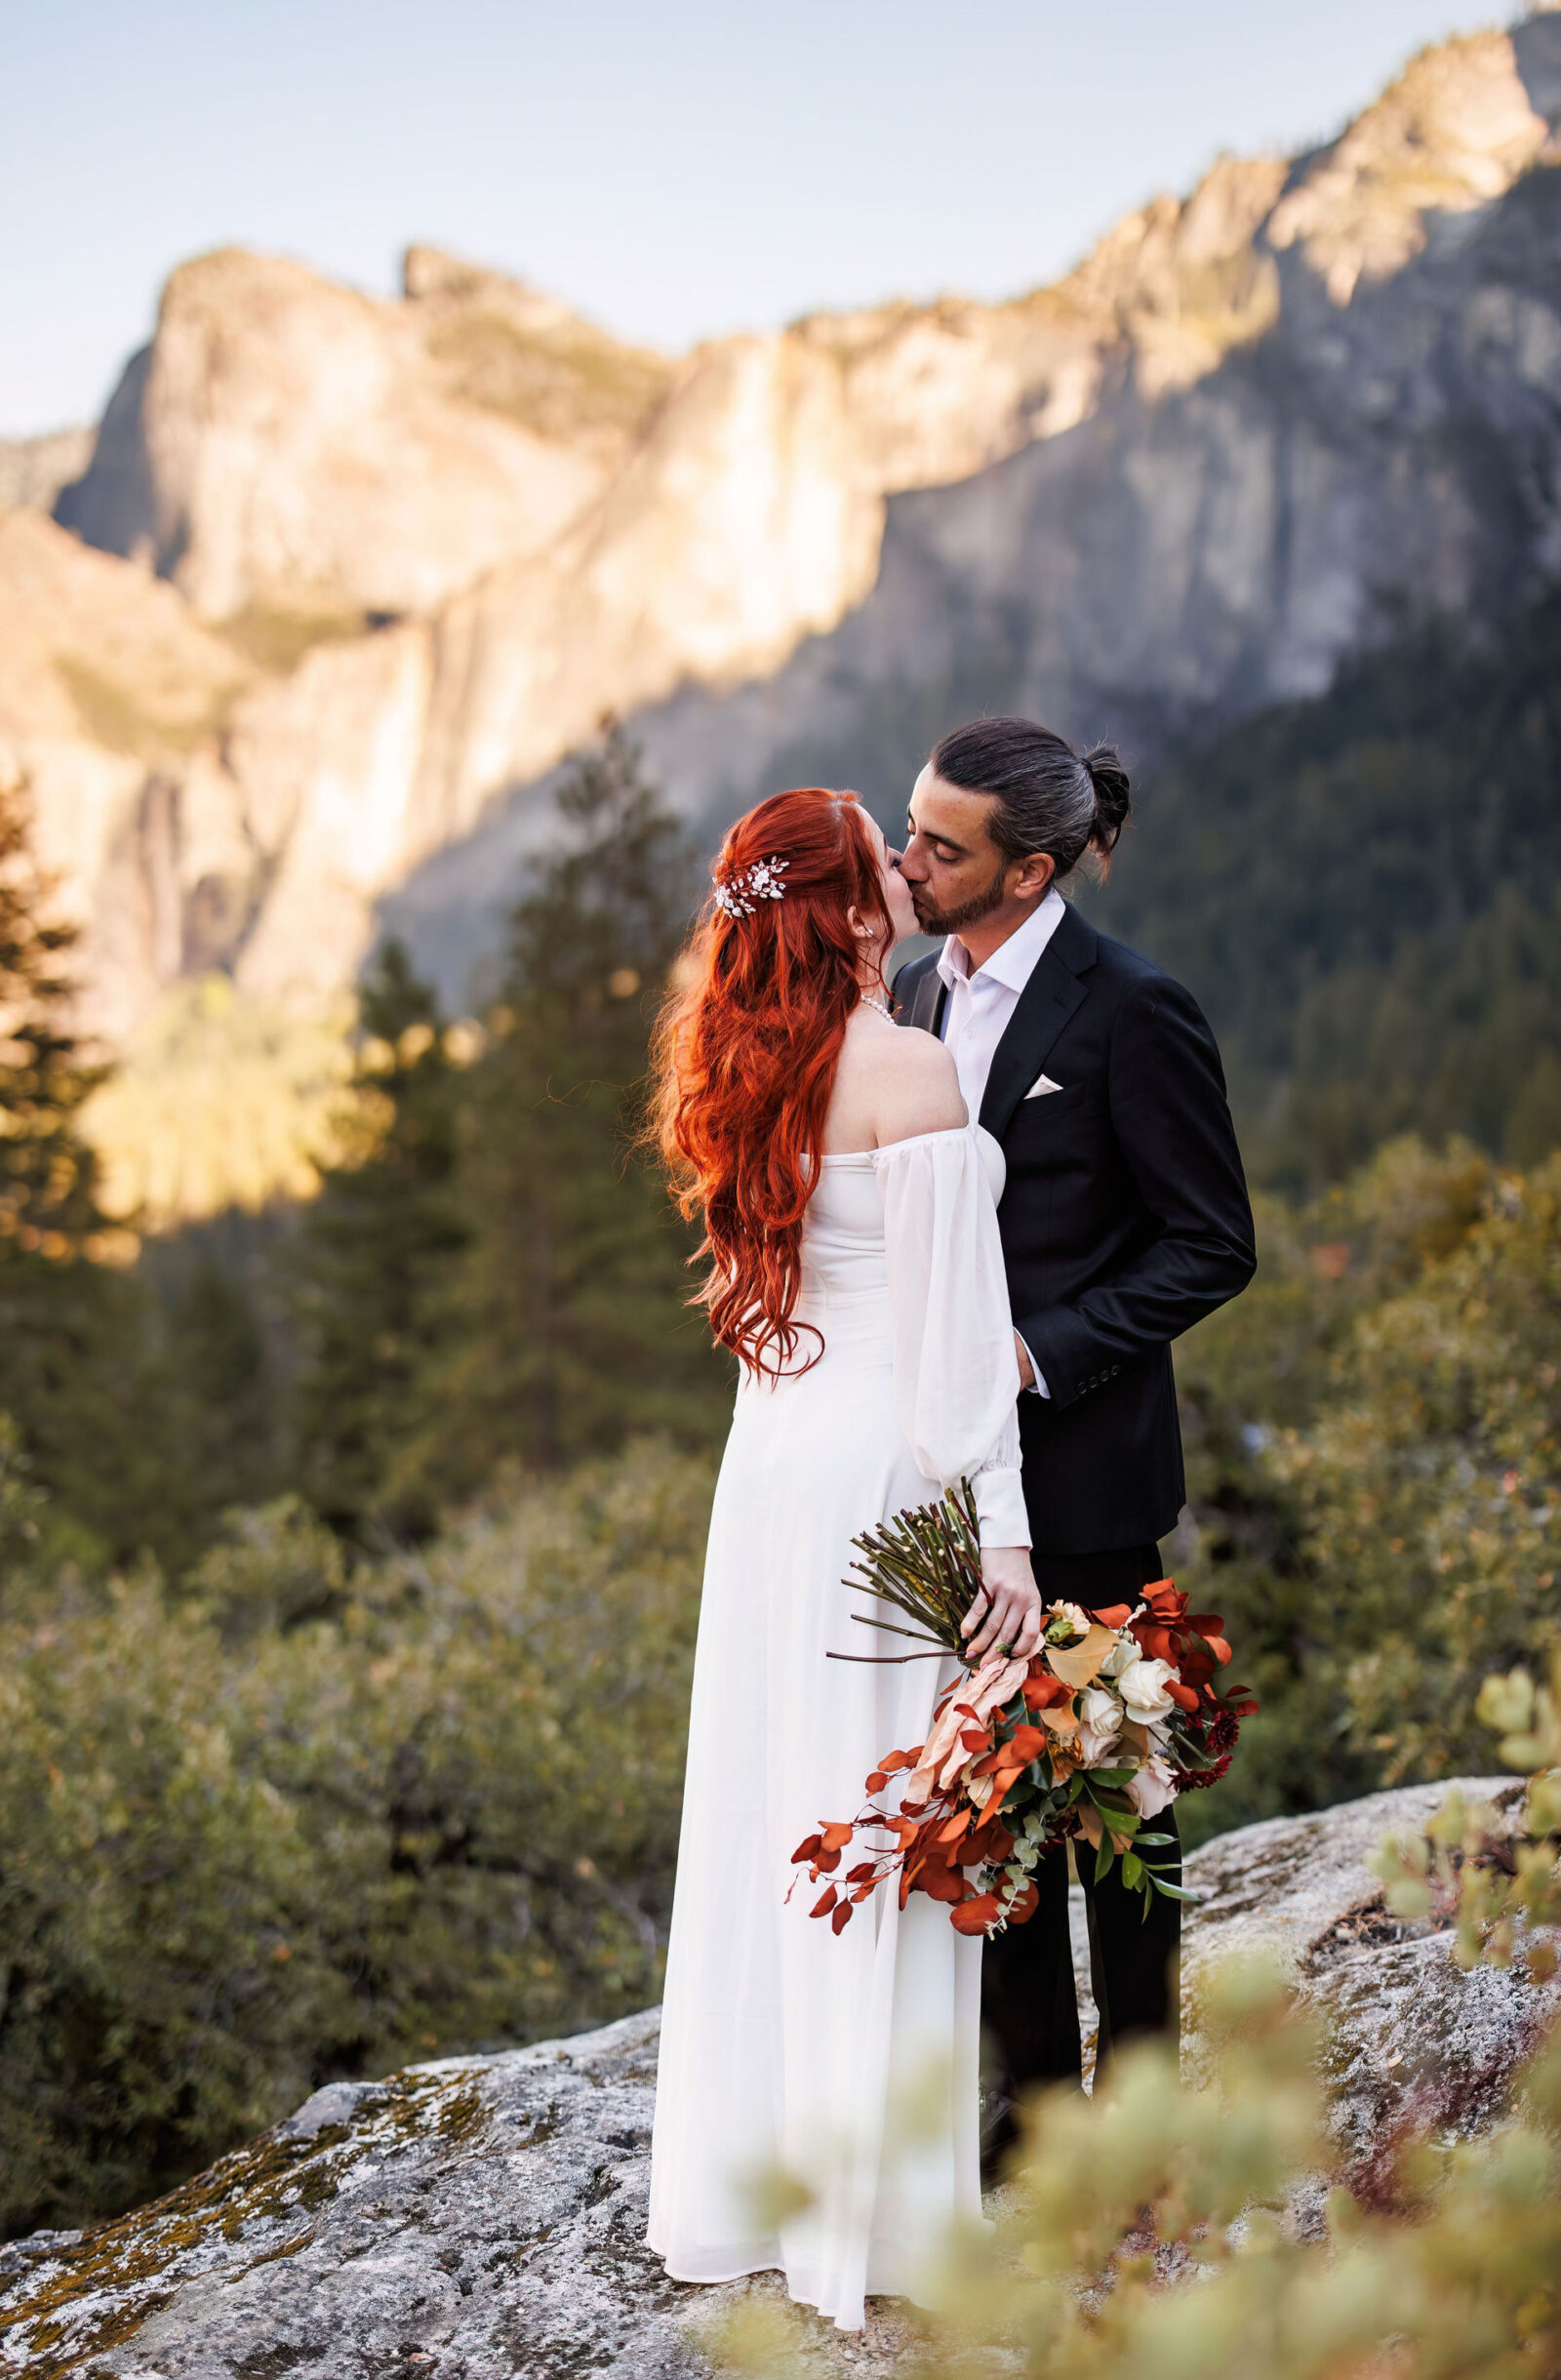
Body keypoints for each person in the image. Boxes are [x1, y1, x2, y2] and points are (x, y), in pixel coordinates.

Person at [646, 787, 1043, 2334]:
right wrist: (1002, 1541)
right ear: (854, 909)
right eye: (888, 857)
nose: (908, 869)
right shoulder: (908, 1067)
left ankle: (759, 2182)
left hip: (771, 1480)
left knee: (779, 1809)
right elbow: (957, 1353)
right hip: (887, 1476)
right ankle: (881, 2214)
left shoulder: (736, 1067)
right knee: (888, 1821)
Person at [893, 715, 1256, 2163]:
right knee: (997, 1787)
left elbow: (1211, 1244)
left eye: (940, 845)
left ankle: (1150, 2093)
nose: (908, 861)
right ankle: (1029, 2104)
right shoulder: (913, 996)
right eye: (912, 829)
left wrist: (1041, 1355)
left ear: (1028, 868)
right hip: (948, 1487)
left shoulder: (1131, 1010)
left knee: (1116, 1785)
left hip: (1089, 1474)